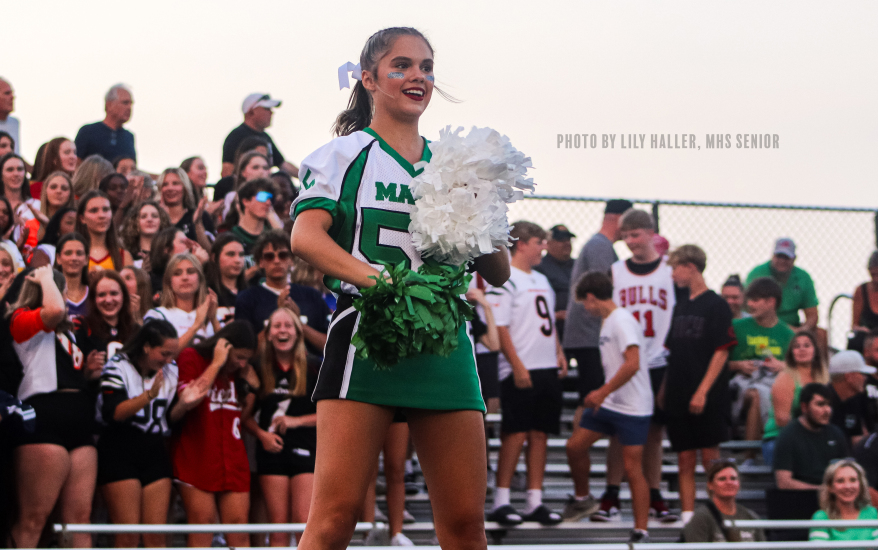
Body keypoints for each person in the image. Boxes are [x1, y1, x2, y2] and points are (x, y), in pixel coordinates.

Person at [289, 27, 510, 550]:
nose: (418, 77)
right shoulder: (342, 155)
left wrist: (485, 205)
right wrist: (379, 281)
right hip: (367, 332)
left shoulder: (452, 163)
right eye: (402, 66)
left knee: (464, 525)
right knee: (334, 519)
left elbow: (497, 272)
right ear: (369, 79)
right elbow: (305, 237)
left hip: (444, 339)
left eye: (427, 68)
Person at [8, 265, 101, 548]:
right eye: (59, 290)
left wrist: (88, 373)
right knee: (35, 517)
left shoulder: (70, 331)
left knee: (79, 519)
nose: (63, 296)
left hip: (79, 417)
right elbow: (53, 312)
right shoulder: (19, 318)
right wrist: (47, 277)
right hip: (44, 415)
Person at [596, 208, 677, 522]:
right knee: (619, 429)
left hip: (658, 357)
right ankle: (612, 493)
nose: (630, 241)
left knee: (654, 432)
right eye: (625, 235)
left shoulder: (669, 270)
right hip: (625, 360)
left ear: (651, 233)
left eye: (636, 234)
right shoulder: (616, 271)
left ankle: (655, 495)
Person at [564, 271, 652, 542]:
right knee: (574, 447)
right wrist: (605, 394)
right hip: (612, 401)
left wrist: (601, 392)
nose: (585, 310)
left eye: (585, 304)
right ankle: (583, 498)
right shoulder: (608, 321)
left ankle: (641, 528)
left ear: (591, 297)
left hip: (634, 406)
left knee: (633, 467)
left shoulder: (621, 320)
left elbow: (632, 363)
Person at [489, 221, 566, 526]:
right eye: (539, 242)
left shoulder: (543, 280)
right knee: (515, 433)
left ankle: (535, 500)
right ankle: (502, 500)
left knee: (540, 434)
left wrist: (559, 352)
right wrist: (517, 365)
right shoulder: (506, 278)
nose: (543, 248)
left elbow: (545, 322)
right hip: (520, 368)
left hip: (546, 365)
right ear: (521, 244)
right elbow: (501, 325)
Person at [562, 199, 632, 509]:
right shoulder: (602, 246)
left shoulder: (596, 244)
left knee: (586, 398)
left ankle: (581, 462)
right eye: (628, 225)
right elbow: (609, 291)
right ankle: (581, 465)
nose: (629, 234)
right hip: (591, 336)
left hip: (585, 335)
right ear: (618, 219)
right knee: (592, 400)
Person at [663, 245, 736, 524]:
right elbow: (673, 351)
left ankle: (714, 514)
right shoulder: (680, 305)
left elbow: (721, 350)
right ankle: (689, 515)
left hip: (707, 394)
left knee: (710, 459)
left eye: (676, 267)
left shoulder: (716, 305)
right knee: (684, 458)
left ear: (691, 267)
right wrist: (665, 391)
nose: (673, 274)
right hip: (679, 392)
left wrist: (703, 391)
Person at [170, 321, 259, 548]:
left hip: (233, 459)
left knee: (239, 534)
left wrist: (252, 390)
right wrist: (217, 363)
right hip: (196, 457)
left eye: (247, 359)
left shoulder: (239, 372)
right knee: (203, 527)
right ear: (224, 347)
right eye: (238, 357)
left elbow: (239, 415)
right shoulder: (192, 357)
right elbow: (189, 400)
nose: (242, 363)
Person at [97, 319, 179, 549]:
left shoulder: (171, 372)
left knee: (155, 536)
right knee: (128, 536)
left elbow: (171, 416)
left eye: (173, 355)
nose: (169, 360)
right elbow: (115, 412)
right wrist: (149, 395)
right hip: (119, 448)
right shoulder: (117, 366)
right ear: (146, 347)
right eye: (164, 353)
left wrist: (188, 401)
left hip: (154, 449)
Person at [244, 308, 318, 546]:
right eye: (277, 326)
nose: (282, 331)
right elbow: (243, 416)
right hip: (271, 451)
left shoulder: (314, 368)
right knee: (277, 529)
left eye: (288, 325)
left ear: (298, 332)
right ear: (267, 334)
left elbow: (329, 416)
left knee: (303, 523)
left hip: (305, 449)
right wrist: (261, 434)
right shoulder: (257, 368)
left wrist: (296, 421)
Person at [727, 277, 795, 448]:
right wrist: (739, 365)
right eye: (749, 299)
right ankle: (751, 453)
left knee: (761, 393)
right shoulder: (736, 327)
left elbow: (802, 369)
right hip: (740, 383)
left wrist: (782, 366)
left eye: (755, 300)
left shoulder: (787, 334)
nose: (749, 304)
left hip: (773, 384)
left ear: (771, 302)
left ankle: (752, 454)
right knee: (757, 393)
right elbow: (717, 361)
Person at [236, 230, 329, 354]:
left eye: (283, 255)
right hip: (264, 371)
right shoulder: (247, 299)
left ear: (291, 260)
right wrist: (278, 315)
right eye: (269, 256)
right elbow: (245, 353)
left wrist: (297, 322)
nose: (276, 261)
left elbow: (330, 346)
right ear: (260, 262)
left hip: (311, 370)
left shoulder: (312, 295)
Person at [762, 331, 829, 466]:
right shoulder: (785, 377)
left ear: (815, 351)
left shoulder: (824, 378)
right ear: (791, 353)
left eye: (807, 345)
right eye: (796, 346)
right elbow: (782, 420)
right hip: (780, 439)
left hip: (815, 437)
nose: (801, 349)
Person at [774, 383, 848, 489]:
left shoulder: (836, 433)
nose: (827, 410)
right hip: (800, 498)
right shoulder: (788, 436)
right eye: (820, 404)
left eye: (829, 405)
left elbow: (846, 470)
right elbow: (783, 482)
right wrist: (822, 490)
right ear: (804, 407)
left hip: (833, 497)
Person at [144, 252, 219, 349]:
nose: (185, 277)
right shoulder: (157, 315)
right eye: (177, 273)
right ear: (168, 281)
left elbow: (231, 358)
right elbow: (163, 354)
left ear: (200, 279)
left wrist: (213, 320)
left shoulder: (213, 316)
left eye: (191, 271)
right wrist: (196, 325)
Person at [680, 459, 766, 543]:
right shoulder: (701, 518)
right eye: (722, 479)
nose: (729, 482)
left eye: (733, 478)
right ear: (710, 485)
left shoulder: (750, 516)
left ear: (739, 483)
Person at [746, 238, 819, 331]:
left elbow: (812, 314)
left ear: (794, 259)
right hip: (761, 324)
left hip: (793, 328)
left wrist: (801, 331)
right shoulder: (757, 273)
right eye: (779, 256)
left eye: (786, 257)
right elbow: (748, 307)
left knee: (821, 334)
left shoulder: (803, 277)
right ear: (772, 256)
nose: (782, 261)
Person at [221, 93, 299, 178]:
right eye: (266, 108)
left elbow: (283, 164)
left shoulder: (265, 137)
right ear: (251, 111)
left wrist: (308, 177)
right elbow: (227, 171)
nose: (271, 112)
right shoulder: (236, 136)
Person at [76, 270, 139, 362]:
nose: (108, 300)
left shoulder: (135, 330)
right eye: (101, 295)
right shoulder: (82, 328)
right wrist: (88, 371)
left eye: (114, 293)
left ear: (123, 296)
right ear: (93, 299)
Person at [809, 459, 878, 542]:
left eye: (853, 480)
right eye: (840, 481)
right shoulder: (821, 517)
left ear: (860, 484)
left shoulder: (872, 513)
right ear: (830, 487)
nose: (848, 486)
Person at [74, 84, 137, 164]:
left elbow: (132, 170)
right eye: (125, 103)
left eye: (131, 104)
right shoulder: (88, 132)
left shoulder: (129, 137)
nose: (129, 108)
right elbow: (76, 165)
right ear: (109, 105)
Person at [225, 178, 283, 263]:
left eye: (270, 199)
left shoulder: (273, 236)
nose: (268, 202)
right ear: (245, 201)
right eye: (263, 197)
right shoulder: (230, 237)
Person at [534, 224, 576, 341]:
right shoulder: (539, 267)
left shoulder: (577, 265)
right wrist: (556, 315)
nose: (566, 243)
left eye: (568, 239)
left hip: (578, 328)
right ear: (548, 243)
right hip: (554, 329)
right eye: (561, 240)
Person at [75, 190, 133, 271]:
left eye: (105, 209)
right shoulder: (72, 254)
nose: (102, 215)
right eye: (94, 210)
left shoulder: (123, 256)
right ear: (82, 218)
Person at [157, 168, 214, 250]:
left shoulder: (200, 215)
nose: (170, 188)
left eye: (175, 183)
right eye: (165, 184)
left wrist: (197, 223)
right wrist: (163, 219)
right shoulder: (154, 217)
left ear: (185, 188)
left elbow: (209, 252)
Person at [827, 350, 873, 448]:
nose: (865, 378)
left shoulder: (854, 401)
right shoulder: (823, 402)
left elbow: (856, 439)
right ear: (849, 377)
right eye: (862, 374)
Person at [146, 227, 209, 298]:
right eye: (182, 242)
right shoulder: (155, 279)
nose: (189, 246)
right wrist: (196, 265)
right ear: (167, 250)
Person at [213, 137, 272, 203]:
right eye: (255, 167)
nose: (261, 171)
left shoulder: (272, 195)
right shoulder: (228, 188)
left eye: (265, 167)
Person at [205, 233, 246, 327]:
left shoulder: (251, 293)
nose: (238, 260)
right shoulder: (207, 293)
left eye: (241, 255)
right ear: (214, 257)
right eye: (231, 254)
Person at [26, 171, 74, 245]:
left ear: (70, 194)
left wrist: (48, 225)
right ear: (45, 191)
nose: (59, 191)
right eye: (53, 187)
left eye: (64, 188)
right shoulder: (30, 226)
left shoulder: (77, 225)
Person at [121, 200, 171, 269]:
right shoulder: (127, 255)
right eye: (143, 216)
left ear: (162, 221)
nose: (149, 219)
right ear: (135, 223)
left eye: (154, 216)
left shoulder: (168, 253)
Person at [1, 153, 39, 242]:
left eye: (20, 169)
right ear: (1, 175)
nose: (16, 174)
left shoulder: (37, 205)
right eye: (10, 170)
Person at [55, 233, 90, 319]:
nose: (74, 258)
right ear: (58, 258)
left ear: (86, 259)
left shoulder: (95, 294)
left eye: (79, 253)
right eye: (68, 253)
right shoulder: (50, 294)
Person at [851, 251, 878, 351]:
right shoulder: (861, 290)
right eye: (873, 275)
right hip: (867, 338)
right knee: (858, 341)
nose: (876, 279)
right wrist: (862, 329)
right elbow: (854, 325)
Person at [0, 78, 19, 154]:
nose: (12, 97)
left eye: (12, 93)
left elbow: (15, 154)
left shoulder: (14, 123)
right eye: (7, 93)